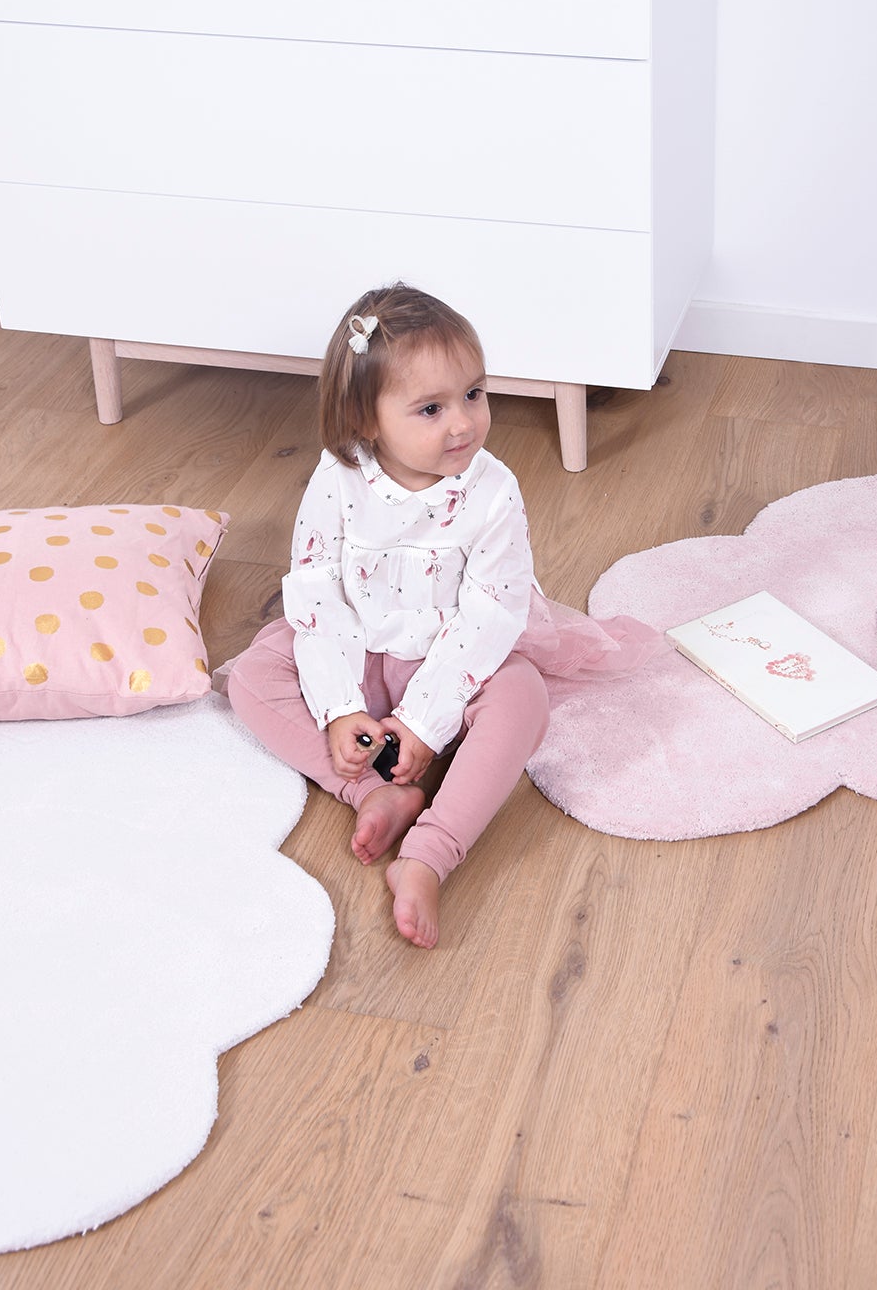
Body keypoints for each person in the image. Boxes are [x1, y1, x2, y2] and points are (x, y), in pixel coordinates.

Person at [224, 283, 661, 950]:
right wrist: (341, 706)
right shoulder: (336, 482)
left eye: (474, 395)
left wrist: (427, 719)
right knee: (254, 674)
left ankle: (430, 852)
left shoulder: (491, 494)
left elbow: (492, 613)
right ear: (366, 420)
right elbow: (316, 597)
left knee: (523, 695)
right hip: (360, 656)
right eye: (431, 408)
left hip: (452, 660)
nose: (463, 423)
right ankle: (371, 792)